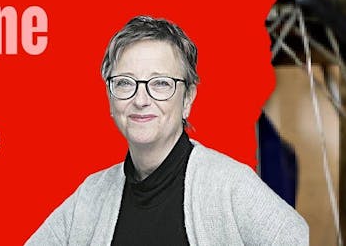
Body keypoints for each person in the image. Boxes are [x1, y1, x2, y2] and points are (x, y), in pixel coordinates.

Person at [28, 16, 308, 246]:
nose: (140, 100)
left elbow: (293, 235)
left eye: (161, 84)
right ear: (109, 96)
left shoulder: (228, 185)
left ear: (187, 98)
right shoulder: (91, 196)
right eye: (125, 83)